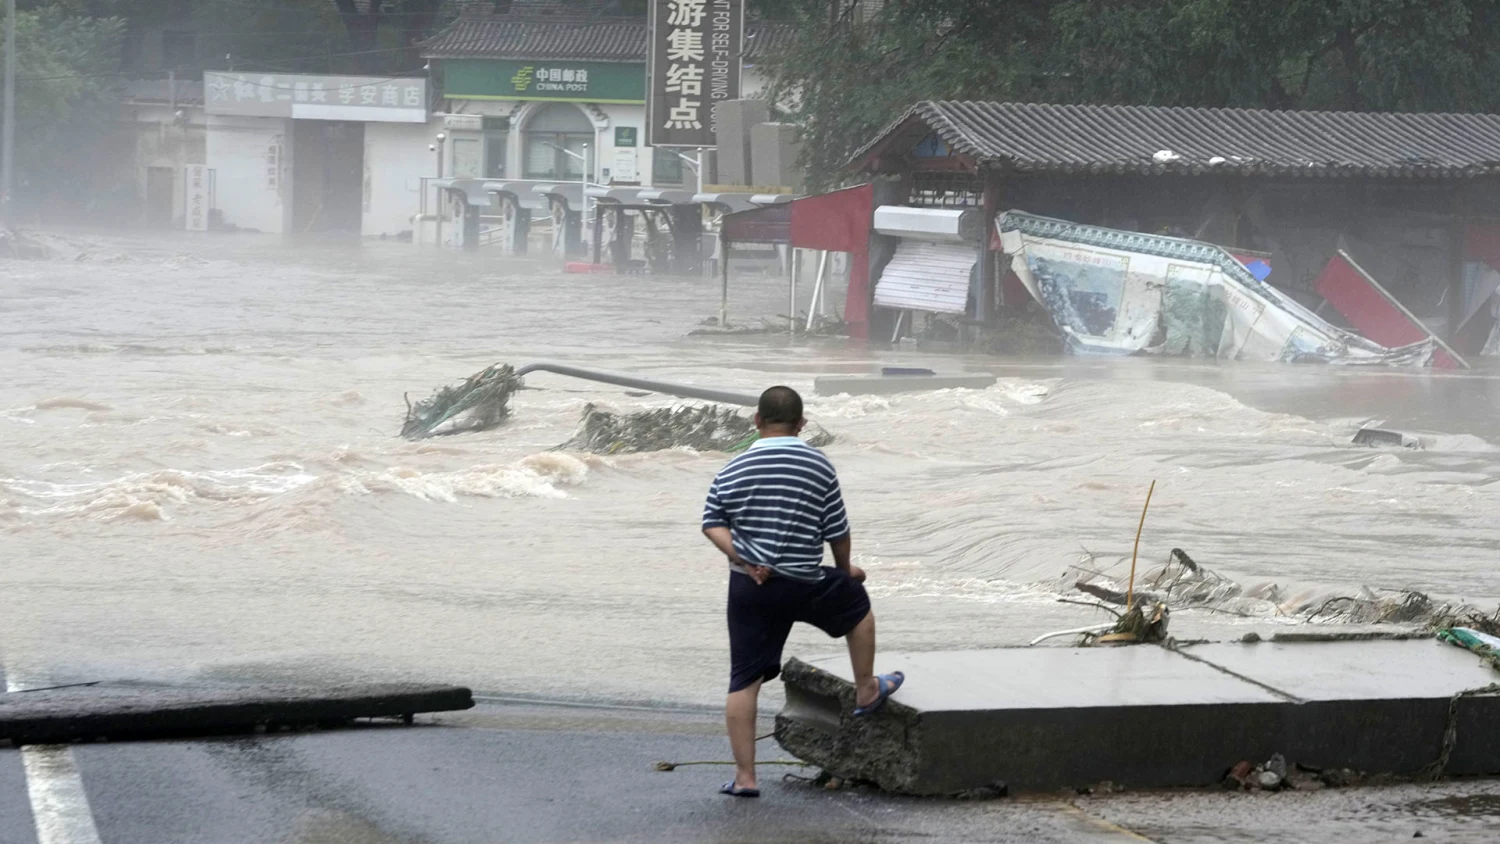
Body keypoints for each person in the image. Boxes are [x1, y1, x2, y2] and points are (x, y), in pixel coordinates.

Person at [701, 385, 903, 798]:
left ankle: (745, 778)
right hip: (805, 582)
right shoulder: (818, 464)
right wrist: (847, 572)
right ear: (801, 424)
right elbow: (837, 530)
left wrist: (742, 558)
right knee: (858, 607)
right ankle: (866, 687)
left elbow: (711, 522)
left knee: (743, 680)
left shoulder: (734, 467)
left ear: (756, 421)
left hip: (750, 587)